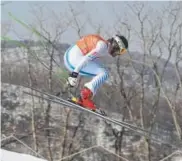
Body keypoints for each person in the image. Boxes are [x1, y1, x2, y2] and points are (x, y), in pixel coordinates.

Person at [64, 34, 128, 111]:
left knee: (103, 69)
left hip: (69, 55)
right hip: (74, 61)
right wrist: (74, 74)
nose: (118, 54)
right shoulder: (102, 47)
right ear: (115, 45)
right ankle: (85, 97)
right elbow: (86, 59)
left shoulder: (102, 44)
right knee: (104, 73)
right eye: (120, 51)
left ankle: (82, 98)